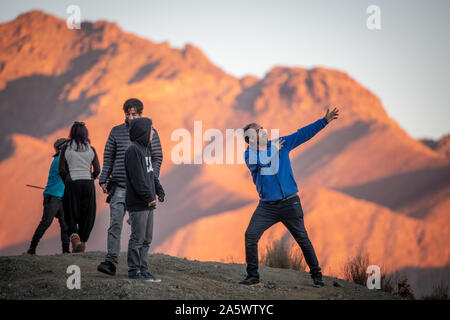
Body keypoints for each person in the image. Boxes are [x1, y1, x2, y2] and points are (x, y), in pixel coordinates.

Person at [240, 107, 339, 287]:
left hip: (290, 203)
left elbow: (302, 134)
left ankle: (317, 275)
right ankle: (253, 276)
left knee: (302, 239)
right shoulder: (249, 155)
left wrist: (324, 121)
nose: (263, 131)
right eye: (258, 131)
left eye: (261, 129)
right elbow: (262, 161)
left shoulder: (281, 143)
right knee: (251, 235)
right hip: (267, 207)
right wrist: (274, 149)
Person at [97, 98, 163, 276]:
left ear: (141, 113)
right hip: (119, 185)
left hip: (140, 190)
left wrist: (151, 180)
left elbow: (156, 157)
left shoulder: (150, 132)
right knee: (115, 223)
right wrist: (104, 178)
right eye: (128, 114)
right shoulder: (116, 132)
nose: (131, 117)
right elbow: (108, 156)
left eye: (135, 114)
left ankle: (139, 267)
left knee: (141, 232)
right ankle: (111, 261)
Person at [125, 117, 165, 281]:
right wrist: (149, 197)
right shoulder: (133, 151)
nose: (153, 132)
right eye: (151, 129)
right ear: (142, 130)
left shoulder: (146, 150)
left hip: (148, 203)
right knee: (137, 238)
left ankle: (143, 269)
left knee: (147, 239)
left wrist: (159, 190)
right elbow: (137, 178)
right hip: (139, 203)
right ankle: (134, 271)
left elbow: (151, 175)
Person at [59, 121, 101, 253]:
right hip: (88, 184)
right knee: (87, 213)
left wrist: (67, 179)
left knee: (70, 212)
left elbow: (62, 169)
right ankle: (82, 243)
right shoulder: (91, 149)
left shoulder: (66, 148)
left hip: (72, 183)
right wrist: (91, 178)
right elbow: (98, 169)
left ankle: (75, 239)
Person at [26, 138, 70, 255]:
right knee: (46, 223)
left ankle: (66, 251)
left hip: (59, 197)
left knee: (64, 224)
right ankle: (31, 249)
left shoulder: (60, 159)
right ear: (61, 149)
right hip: (53, 197)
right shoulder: (59, 161)